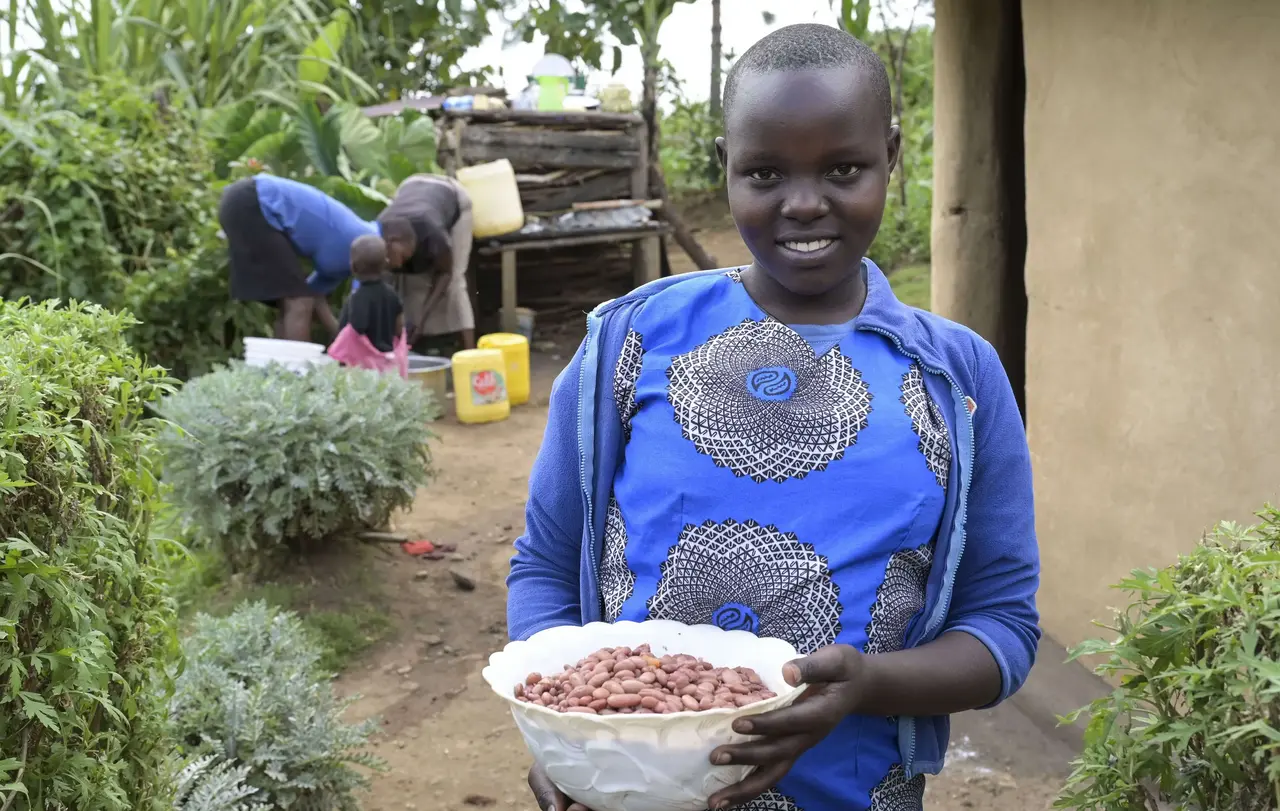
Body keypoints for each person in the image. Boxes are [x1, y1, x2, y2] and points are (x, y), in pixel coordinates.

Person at [508, 23, 1039, 811]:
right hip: (630, 794)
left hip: (854, 794)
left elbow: (1002, 627)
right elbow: (546, 565)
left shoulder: (956, 378)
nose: (802, 203)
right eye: (763, 172)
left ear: (892, 156)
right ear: (723, 166)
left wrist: (868, 684)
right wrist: (561, 730)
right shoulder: (630, 342)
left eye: (844, 168)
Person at [218, 174, 415, 342]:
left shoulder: (345, 258)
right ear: (392, 241)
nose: (399, 264)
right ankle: (298, 377)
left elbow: (315, 296)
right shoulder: (363, 240)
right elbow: (359, 306)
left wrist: (340, 341)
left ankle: (280, 370)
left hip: (243, 201)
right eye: (402, 256)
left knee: (292, 303)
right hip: (254, 201)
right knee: (298, 302)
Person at [376, 173, 476, 349]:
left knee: (455, 284)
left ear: (402, 243)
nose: (394, 264)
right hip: (409, 185)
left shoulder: (434, 234)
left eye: (395, 258)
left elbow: (446, 273)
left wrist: (422, 317)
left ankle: (471, 354)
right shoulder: (380, 229)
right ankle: (405, 346)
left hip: (452, 194)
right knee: (402, 281)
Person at [336, 235, 404, 353]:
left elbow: (354, 329)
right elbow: (399, 327)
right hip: (386, 357)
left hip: (362, 361)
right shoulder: (392, 293)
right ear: (386, 264)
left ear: (353, 267)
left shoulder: (357, 298)